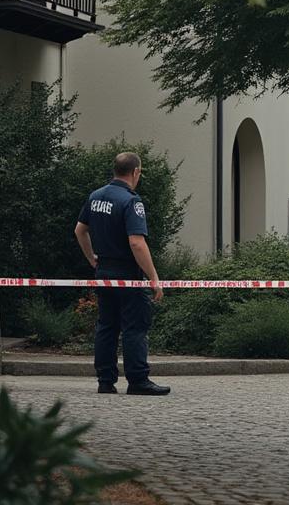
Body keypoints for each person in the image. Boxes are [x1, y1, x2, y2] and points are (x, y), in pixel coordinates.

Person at [73, 152, 170, 396]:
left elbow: (79, 230)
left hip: (104, 272)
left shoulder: (96, 196)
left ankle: (105, 381)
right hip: (127, 273)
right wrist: (153, 277)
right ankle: (138, 380)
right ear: (135, 172)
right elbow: (137, 243)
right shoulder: (131, 201)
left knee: (107, 326)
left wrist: (92, 258)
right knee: (134, 327)